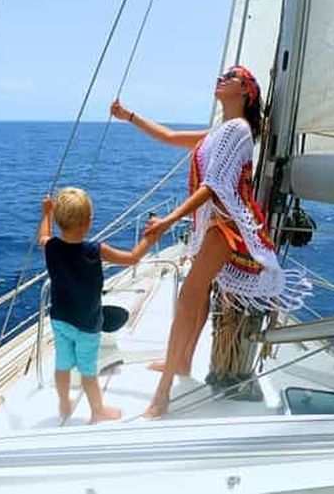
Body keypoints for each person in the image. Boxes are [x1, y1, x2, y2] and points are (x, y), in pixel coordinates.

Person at [111, 65, 305, 418]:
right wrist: (130, 116)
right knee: (197, 300)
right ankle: (181, 363)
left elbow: (214, 185)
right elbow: (169, 137)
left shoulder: (238, 130)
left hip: (226, 226)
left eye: (232, 76)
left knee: (188, 300)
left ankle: (163, 392)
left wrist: (170, 220)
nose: (222, 77)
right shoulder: (222, 131)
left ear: (245, 91)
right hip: (214, 224)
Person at [38, 187, 159, 424]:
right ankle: (97, 411)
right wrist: (150, 238)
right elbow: (133, 258)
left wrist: (46, 214)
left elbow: (43, 234)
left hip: (60, 319)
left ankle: (64, 403)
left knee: (62, 364)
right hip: (87, 325)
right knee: (88, 371)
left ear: (59, 221)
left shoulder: (51, 246)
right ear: (88, 222)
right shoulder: (96, 250)